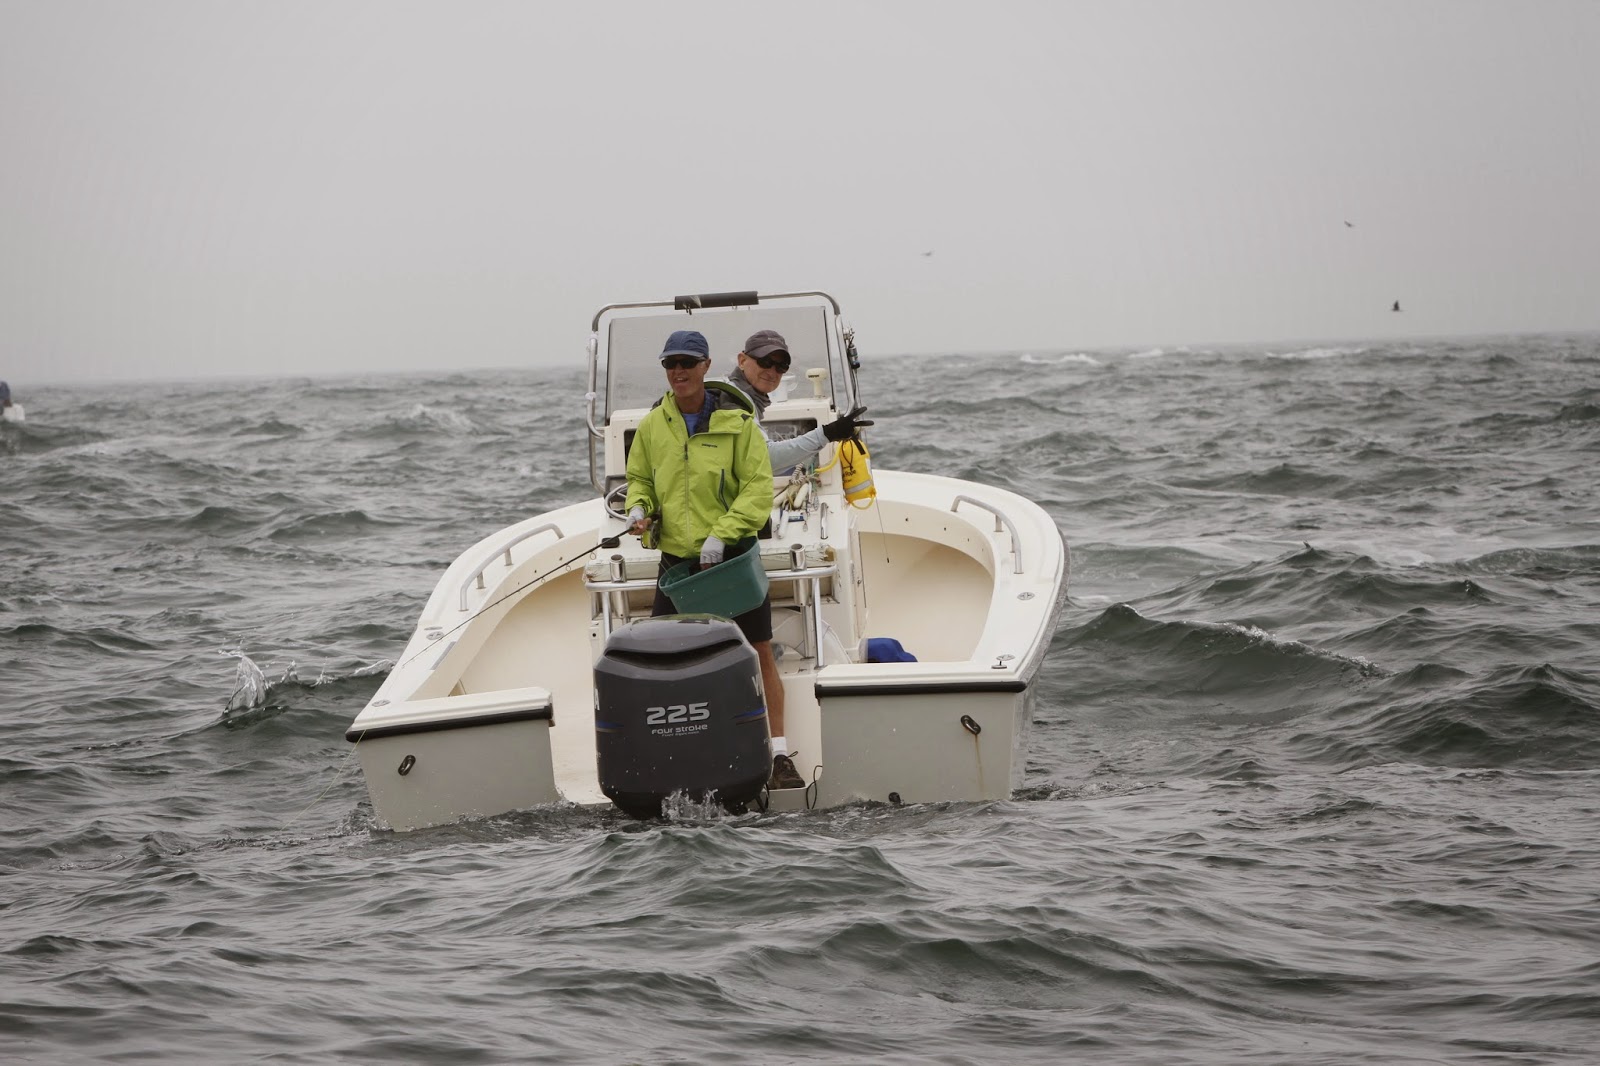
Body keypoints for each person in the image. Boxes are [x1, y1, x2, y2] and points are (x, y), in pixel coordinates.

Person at [624, 329, 804, 790]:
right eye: (671, 364)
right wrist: (639, 510)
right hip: (678, 564)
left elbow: (757, 490)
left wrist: (721, 536)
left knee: (758, 650)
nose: (679, 371)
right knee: (665, 658)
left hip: (732, 559)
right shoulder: (652, 425)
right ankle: (677, 757)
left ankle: (779, 755)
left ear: (706, 366)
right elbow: (640, 480)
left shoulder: (739, 423)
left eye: (688, 363)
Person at [728, 330, 872, 471]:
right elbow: (766, 459)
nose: (772, 372)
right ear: (742, 361)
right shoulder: (732, 402)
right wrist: (827, 434)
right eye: (765, 362)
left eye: (781, 366)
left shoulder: (740, 397)